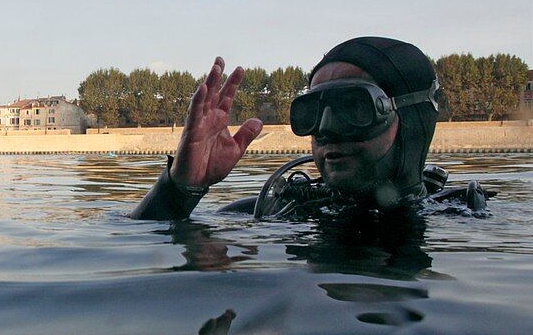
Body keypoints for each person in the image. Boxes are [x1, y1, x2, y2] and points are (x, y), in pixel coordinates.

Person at [131, 36, 483, 221]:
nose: (326, 130)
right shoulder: (277, 212)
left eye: (355, 108)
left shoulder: (466, 220)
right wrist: (180, 189)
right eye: (313, 112)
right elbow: (148, 247)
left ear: (413, 120)